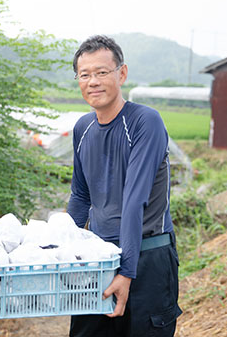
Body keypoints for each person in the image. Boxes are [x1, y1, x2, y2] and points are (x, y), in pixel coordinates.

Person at [67, 35, 182, 337]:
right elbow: (80, 197)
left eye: (102, 72)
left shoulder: (145, 122)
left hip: (148, 257)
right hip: (99, 258)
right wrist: (66, 252)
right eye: (85, 74)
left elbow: (134, 199)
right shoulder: (83, 128)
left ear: (122, 73)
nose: (93, 81)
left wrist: (126, 271)